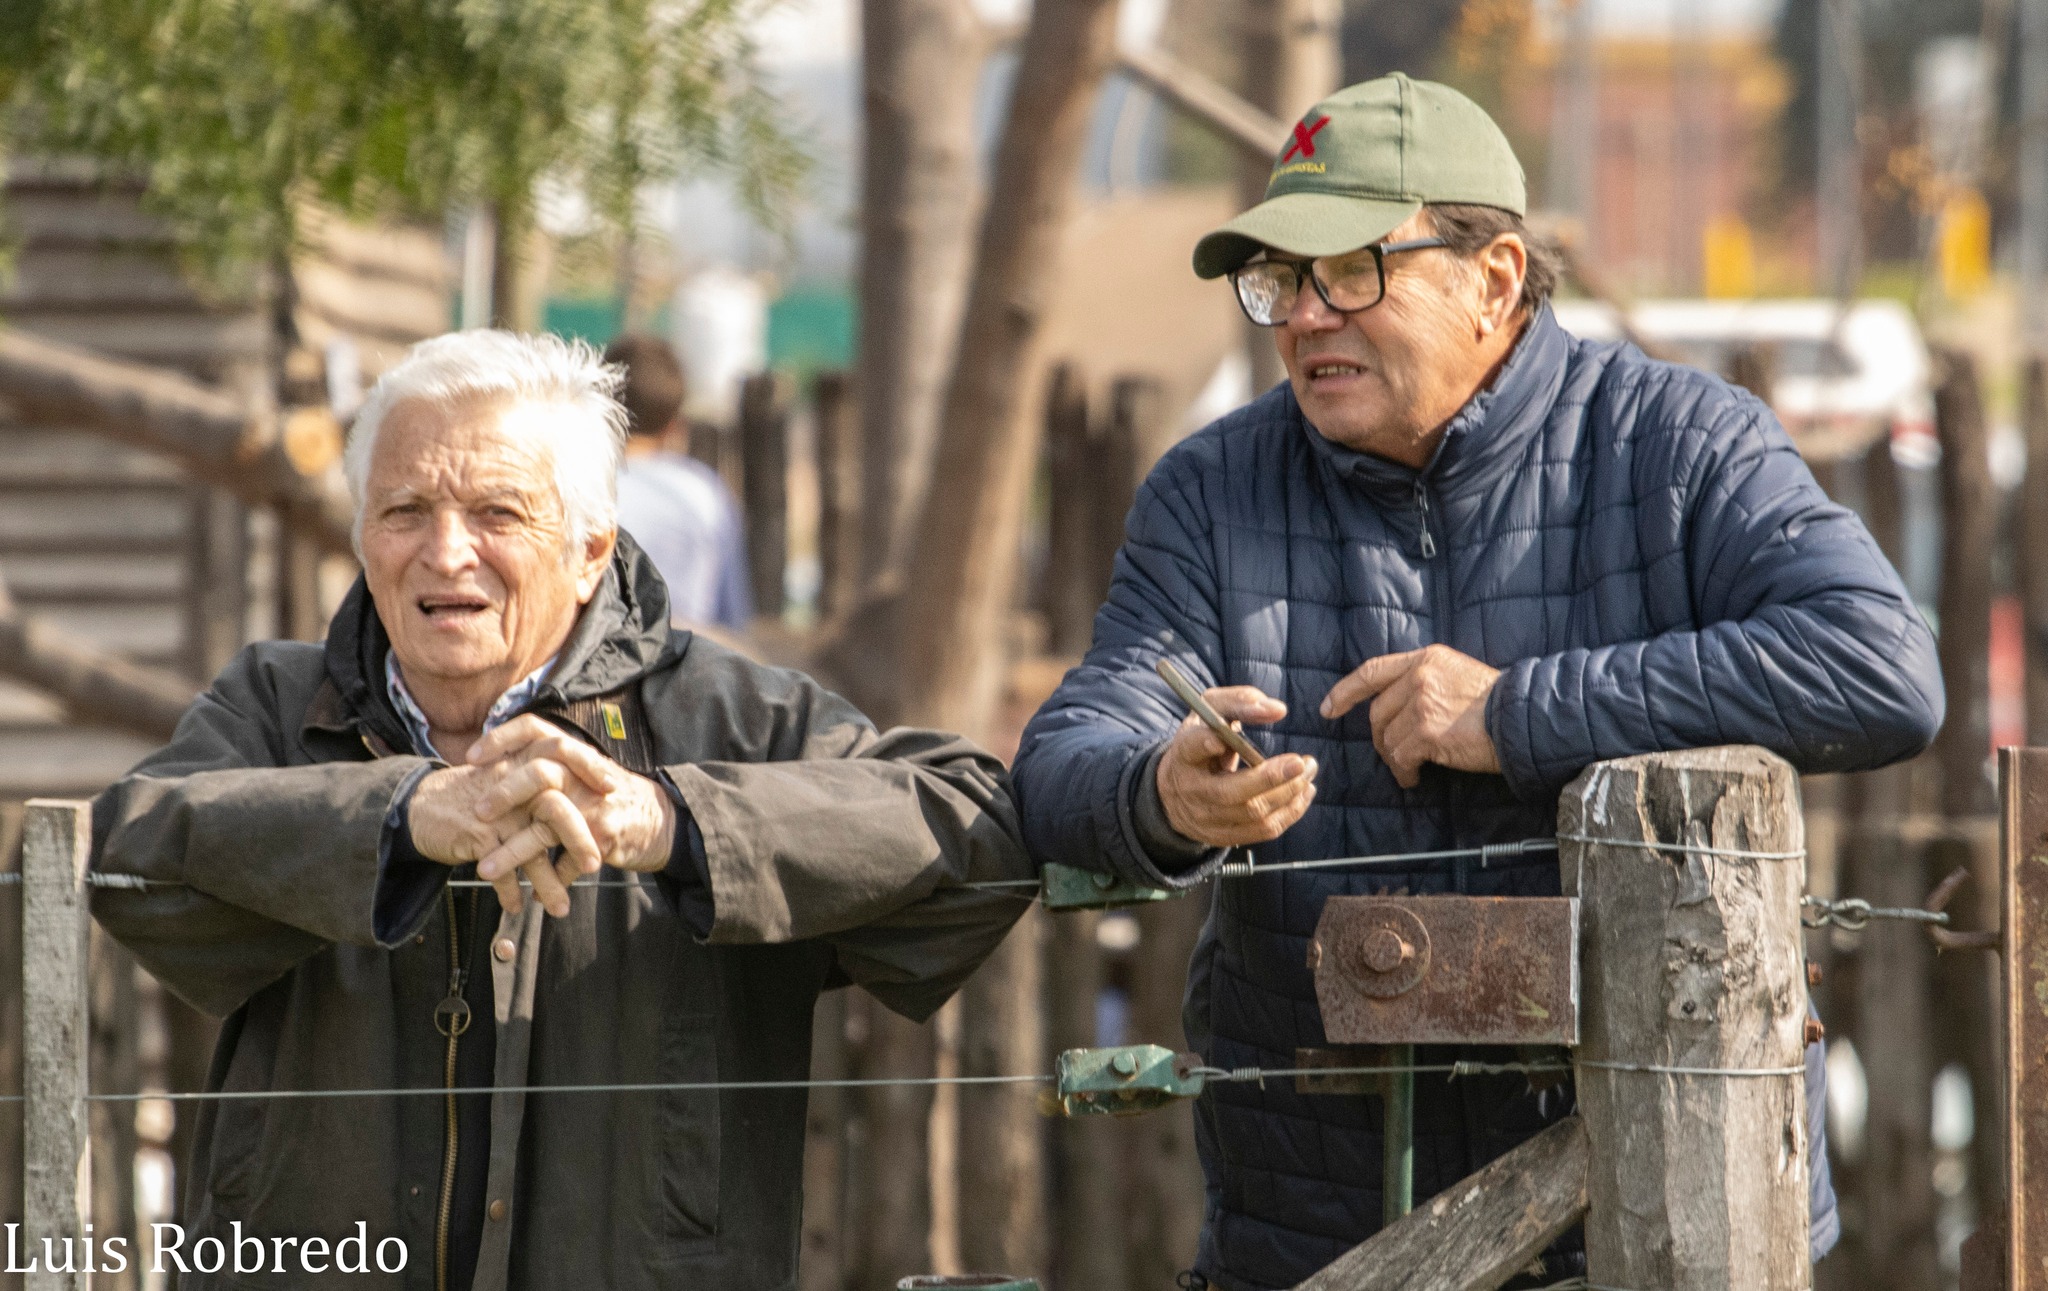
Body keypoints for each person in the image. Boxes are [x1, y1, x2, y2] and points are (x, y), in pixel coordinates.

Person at [1013, 73, 1943, 1290]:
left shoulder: (1681, 442)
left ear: (1494, 278)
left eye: (1348, 269)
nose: (1301, 316)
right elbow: (1069, 749)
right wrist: (1160, 794)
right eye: (1280, 281)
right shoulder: (1210, 489)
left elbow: (1879, 666)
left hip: (1658, 1225)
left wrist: (1514, 712)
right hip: (1313, 1236)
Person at [91, 330, 1032, 1291]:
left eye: (497, 510)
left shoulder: (720, 715)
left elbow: (973, 824)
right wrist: (400, 815)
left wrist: (672, 823)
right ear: (362, 530)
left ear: (589, 550)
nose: (445, 551)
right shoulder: (275, 705)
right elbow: (129, 857)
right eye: (404, 509)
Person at [605, 332, 753, 630]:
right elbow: (732, 617)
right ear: (674, 425)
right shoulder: (704, 494)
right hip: (689, 657)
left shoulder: (579, 485)